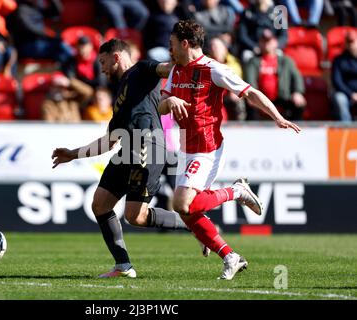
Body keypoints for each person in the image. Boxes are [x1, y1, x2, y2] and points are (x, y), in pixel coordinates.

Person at [159, 20, 301, 280]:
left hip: (208, 148)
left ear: (185, 43)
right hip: (185, 148)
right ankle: (230, 257)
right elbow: (161, 106)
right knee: (186, 210)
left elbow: (250, 92)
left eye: (172, 44)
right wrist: (169, 100)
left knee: (182, 203)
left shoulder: (213, 69)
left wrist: (277, 117)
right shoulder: (175, 70)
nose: (170, 49)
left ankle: (236, 191)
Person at [52, 39, 192, 279]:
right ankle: (123, 266)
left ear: (116, 57)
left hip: (148, 146)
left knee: (135, 216)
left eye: (103, 62)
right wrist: (73, 154)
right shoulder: (120, 95)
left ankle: (194, 224)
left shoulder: (143, 69)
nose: (102, 69)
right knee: (100, 204)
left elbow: (169, 68)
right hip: (127, 150)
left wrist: (186, 62)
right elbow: (109, 141)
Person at [244, 28, 306, 121]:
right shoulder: (253, 61)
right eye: (263, 41)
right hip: (260, 99)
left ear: (275, 42)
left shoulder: (286, 61)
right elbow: (250, 79)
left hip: (282, 98)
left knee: (299, 104)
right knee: (249, 104)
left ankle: (295, 132)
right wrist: (252, 96)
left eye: (269, 41)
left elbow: (296, 77)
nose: (266, 44)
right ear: (259, 43)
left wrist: (297, 92)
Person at [331, 31, 357, 122]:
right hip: (345, 93)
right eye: (348, 42)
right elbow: (337, 81)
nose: (350, 45)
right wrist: (351, 94)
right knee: (339, 99)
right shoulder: (339, 60)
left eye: (352, 41)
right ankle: (347, 128)